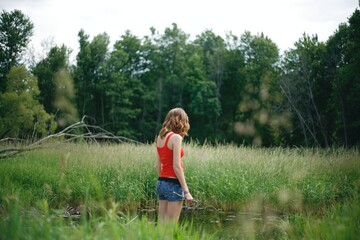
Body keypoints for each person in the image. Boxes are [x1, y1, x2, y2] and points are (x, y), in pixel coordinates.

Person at [155, 107, 193, 223]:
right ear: (181, 121)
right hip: (173, 184)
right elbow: (177, 166)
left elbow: (158, 165)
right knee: (171, 227)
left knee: (162, 226)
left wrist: (164, 181)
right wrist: (186, 192)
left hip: (161, 182)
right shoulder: (176, 138)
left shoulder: (160, 137)